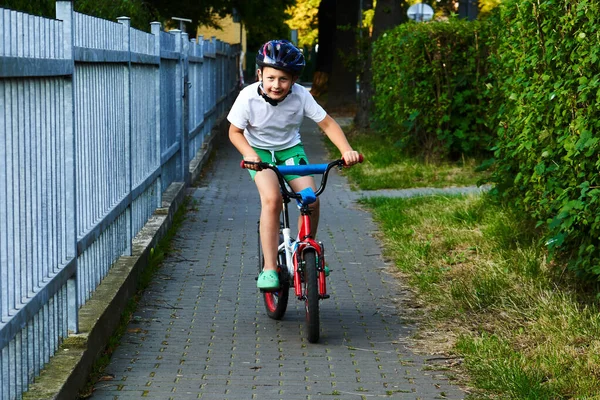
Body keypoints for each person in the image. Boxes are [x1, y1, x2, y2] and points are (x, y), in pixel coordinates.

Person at [227, 39, 360, 290]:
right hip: (260, 154)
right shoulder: (247, 98)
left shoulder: (300, 96)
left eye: (284, 79)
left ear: (294, 80)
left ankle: (303, 249)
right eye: (271, 78)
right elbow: (234, 132)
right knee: (272, 200)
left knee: (311, 198)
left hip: (290, 150)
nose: (276, 85)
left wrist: (346, 150)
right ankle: (269, 268)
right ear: (260, 75)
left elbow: (328, 123)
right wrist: (248, 153)